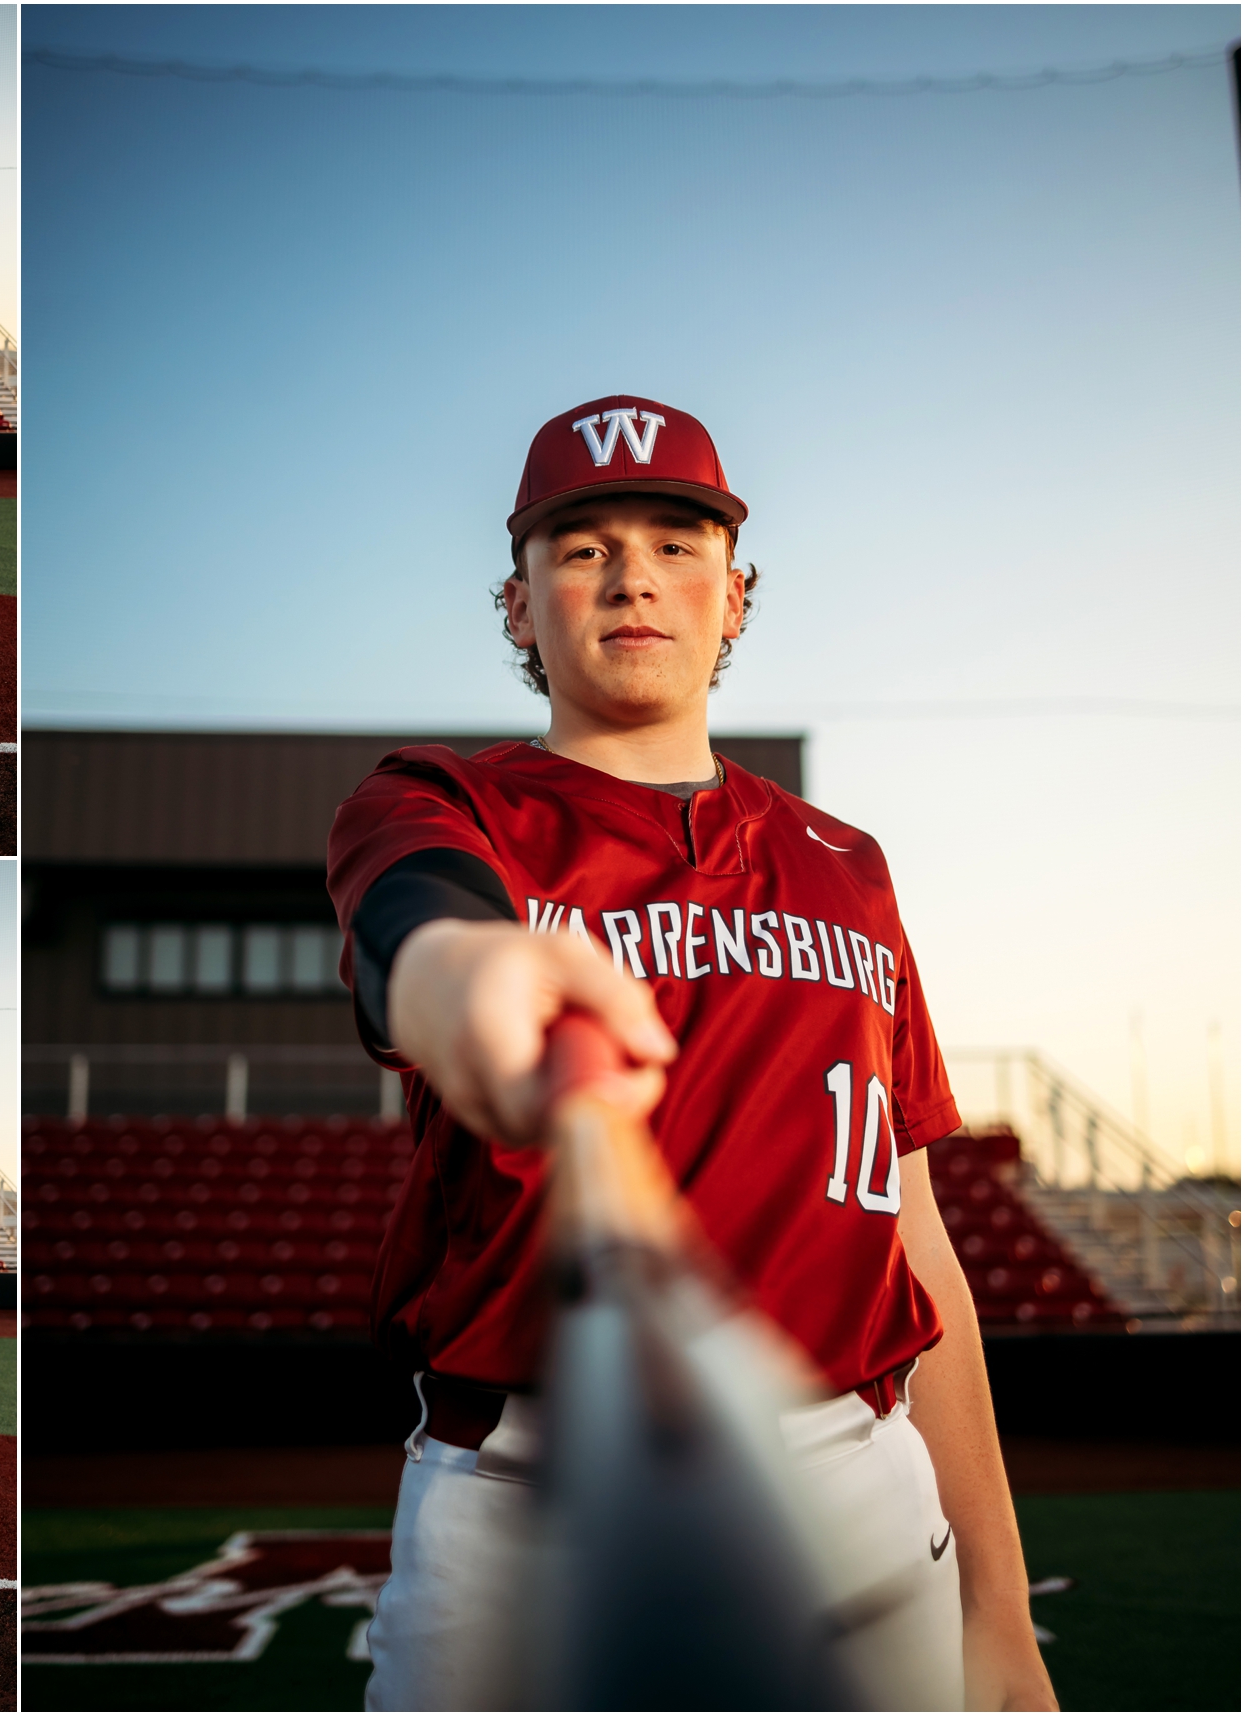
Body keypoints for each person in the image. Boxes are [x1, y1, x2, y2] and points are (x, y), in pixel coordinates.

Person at [326, 395, 1057, 1711]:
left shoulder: (851, 867)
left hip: (856, 1472)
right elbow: (414, 924)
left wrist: (998, 1614)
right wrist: (461, 970)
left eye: (675, 541)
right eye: (582, 547)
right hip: (518, 1493)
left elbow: (916, 1238)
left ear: (736, 594)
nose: (632, 578)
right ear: (519, 602)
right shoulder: (448, 803)